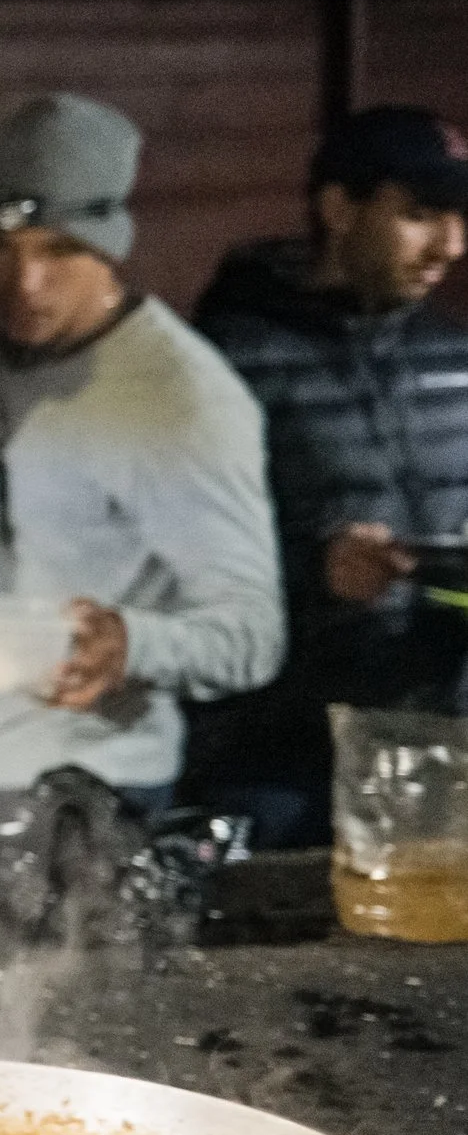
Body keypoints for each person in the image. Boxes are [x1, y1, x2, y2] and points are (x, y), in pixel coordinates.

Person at [0, 93, 283, 818]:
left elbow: (253, 634)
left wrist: (132, 644)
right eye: (0, 247)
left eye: (58, 250)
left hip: (92, 784)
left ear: (110, 244)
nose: (24, 284)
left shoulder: (180, 400)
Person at [188, 106, 468, 846]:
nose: (451, 246)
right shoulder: (227, 361)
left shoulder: (454, 357)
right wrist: (318, 567)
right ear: (339, 208)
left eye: (460, 219)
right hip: (283, 758)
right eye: (419, 215)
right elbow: (176, 552)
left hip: (437, 747)